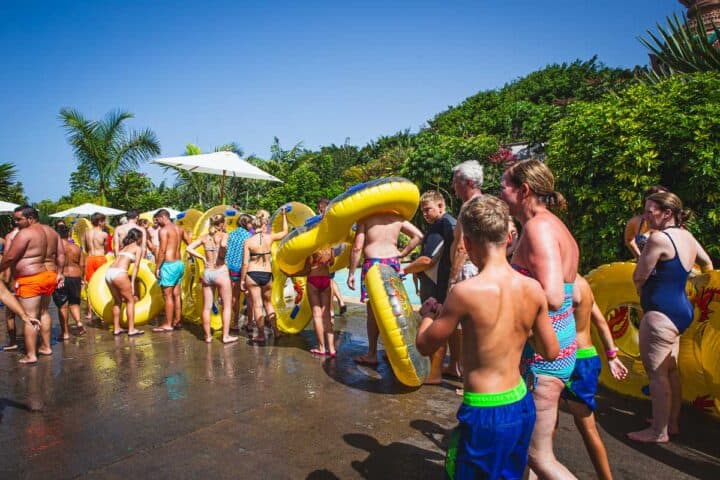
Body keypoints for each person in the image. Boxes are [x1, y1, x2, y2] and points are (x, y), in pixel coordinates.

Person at [416, 195, 559, 479]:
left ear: (466, 244)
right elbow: (550, 351)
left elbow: (425, 345)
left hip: (485, 411)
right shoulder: (532, 289)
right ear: (509, 236)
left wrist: (428, 315)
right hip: (520, 404)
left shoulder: (465, 293)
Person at [500, 159, 579, 479]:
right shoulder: (551, 224)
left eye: (504, 186)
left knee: (539, 456)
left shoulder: (539, 229)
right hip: (556, 344)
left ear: (524, 190)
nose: (500, 193)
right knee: (529, 458)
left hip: (544, 355)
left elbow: (553, 295)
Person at [629, 191, 713, 443]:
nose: (646, 215)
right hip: (680, 309)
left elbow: (639, 276)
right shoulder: (686, 237)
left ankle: (659, 431)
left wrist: (643, 293)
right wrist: (687, 279)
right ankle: (670, 423)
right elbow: (706, 263)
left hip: (660, 311)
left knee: (657, 374)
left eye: (650, 210)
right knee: (671, 371)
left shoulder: (659, 240)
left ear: (667, 213)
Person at [564, 275, 628, 479]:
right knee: (548, 421)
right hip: (585, 357)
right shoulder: (583, 284)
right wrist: (611, 356)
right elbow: (600, 322)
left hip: (575, 360)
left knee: (586, 427)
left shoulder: (565, 285)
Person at [347, 212, 423, 366]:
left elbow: (357, 247)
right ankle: (392, 352)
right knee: (393, 307)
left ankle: (372, 353)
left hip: (372, 265)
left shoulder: (365, 218)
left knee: (373, 312)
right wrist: (403, 253)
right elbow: (419, 236)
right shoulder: (397, 218)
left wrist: (352, 272)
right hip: (393, 262)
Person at [403, 190, 456, 384]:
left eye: (428, 210)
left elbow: (427, 260)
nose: (425, 214)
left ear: (441, 206)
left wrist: (405, 270)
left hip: (437, 287)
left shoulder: (440, 225)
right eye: (423, 211)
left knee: (435, 327)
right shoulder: (451, 223)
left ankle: (434, 373)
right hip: (446, 284)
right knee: (450, 329)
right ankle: (453, 366)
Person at [0, 206, 58, 364]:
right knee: (44, 312)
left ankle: (31, 355)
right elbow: (60, 254)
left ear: (30, 218)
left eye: (19, 219)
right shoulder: (49, 231)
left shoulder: (25, 233)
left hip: (31, 278)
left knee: (30, 317)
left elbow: (10, 257)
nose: (15, 222)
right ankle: (46, 346)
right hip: (47, 275)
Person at [446, 160, 485, 381]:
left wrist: (453, 279)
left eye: (456, 181)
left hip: (467, 270)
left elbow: (462, 246)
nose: (453, 186)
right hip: (477, 269)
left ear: (468, 182)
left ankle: (468, 376)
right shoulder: (486, 202)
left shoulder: (469, 206)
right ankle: (458, 367)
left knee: (464, 325)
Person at [186, 214, 238, 344]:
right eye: (224, 223)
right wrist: (222, 253)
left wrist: (202, 258)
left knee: (207, 307)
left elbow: (188, 248)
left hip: (208, 273)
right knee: (226, 306)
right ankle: (225, 336)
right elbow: (224, 245)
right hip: (220, 271)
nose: (225, 225)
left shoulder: (204, 237)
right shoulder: (224, 235)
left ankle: (208, 336)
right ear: (221, 224)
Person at [240, 209, 288, 343]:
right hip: (267, 274)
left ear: (253, 226)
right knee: (268, 304)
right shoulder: (270, 237)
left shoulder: (248, 241)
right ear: (263, 226)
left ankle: (261, 335)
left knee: (257, 304)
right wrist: (284, 216)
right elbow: (285, 232)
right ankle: (276, 332)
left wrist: (243, 280)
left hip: (252, 273)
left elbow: (244, 263)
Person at [292, 247, 336, 357]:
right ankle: (332, 349)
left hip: (313, 280)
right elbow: (331, 263)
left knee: (317, 315)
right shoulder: (330, 248)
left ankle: (322, 348)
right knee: (326, 315)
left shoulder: (312, 249)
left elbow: (306, 270)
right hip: (326, 280)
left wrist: (291, 274)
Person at [153, 209, 191, 332]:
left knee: (167, 296)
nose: (156, 222)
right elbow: (190, 243)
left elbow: (162, 251)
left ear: (163, 217)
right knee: (176, 295)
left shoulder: (163, 231)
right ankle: (177, 321)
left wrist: (157, 267)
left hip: (169, 265)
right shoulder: (179, 229)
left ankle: (168, 324)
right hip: (179, 264)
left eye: (157, 219)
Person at [104, 228, 145, 337]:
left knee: (117, 301)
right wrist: (132, 283)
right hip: (120, 273)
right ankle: (131, 329)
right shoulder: (137, 248)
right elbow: (136, 266)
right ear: (138, 238)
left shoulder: (124, 248)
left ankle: (116, 329)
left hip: (109, 272)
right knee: (130, 300)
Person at [53, 225, 86, 340]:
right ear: (68, 235)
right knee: (74, 303)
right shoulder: (76, 248)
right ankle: (78, 322)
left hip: (62, 277)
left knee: (62, 306)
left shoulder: (55, 248)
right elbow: (82, 264)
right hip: (76, 276)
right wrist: (82, 278)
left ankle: (65, 333)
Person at [317, 197, 346, 316]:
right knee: (330, 278)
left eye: (319, 209)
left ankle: (331, 311)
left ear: (323, 208)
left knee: (327, 280)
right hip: (340, 248)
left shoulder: (324, 219)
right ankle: (341, 301)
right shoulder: (337, 217)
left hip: (331, 249)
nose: (318, 211)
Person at [226, 213, 254, 332]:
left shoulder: (230, 234)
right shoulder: (249, 236)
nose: (252, 225)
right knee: (250, 297)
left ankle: (235, 322)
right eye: (250, 223)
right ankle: (249, 323)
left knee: (235, 297)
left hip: (232, 269)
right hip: (246, 269)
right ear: (246, 223)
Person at [624, 185, 669, 259]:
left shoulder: (673, 223)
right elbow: (629, 240)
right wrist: (639, 257)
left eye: (665, 198)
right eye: (660, 198)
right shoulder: (635, 222)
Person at [83, 212, 109, 323]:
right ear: (100, 221)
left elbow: (85, 247)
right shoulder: (103, 234)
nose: (105, 223)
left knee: (89, 286)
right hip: (100, 258)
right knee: (103, 285)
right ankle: (102, 311)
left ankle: (89, 313)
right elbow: (107, 248)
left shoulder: (86, 233)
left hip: (89, 259)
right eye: (104, 221)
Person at [1, 221, 19, 350]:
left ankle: (13, 342)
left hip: (13, 280)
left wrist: (6, 280)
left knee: (10, 315)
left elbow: (7, 260)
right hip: (31, 279)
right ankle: (38, 341)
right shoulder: (35, 236)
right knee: (35, 313)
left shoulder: (9, 237)